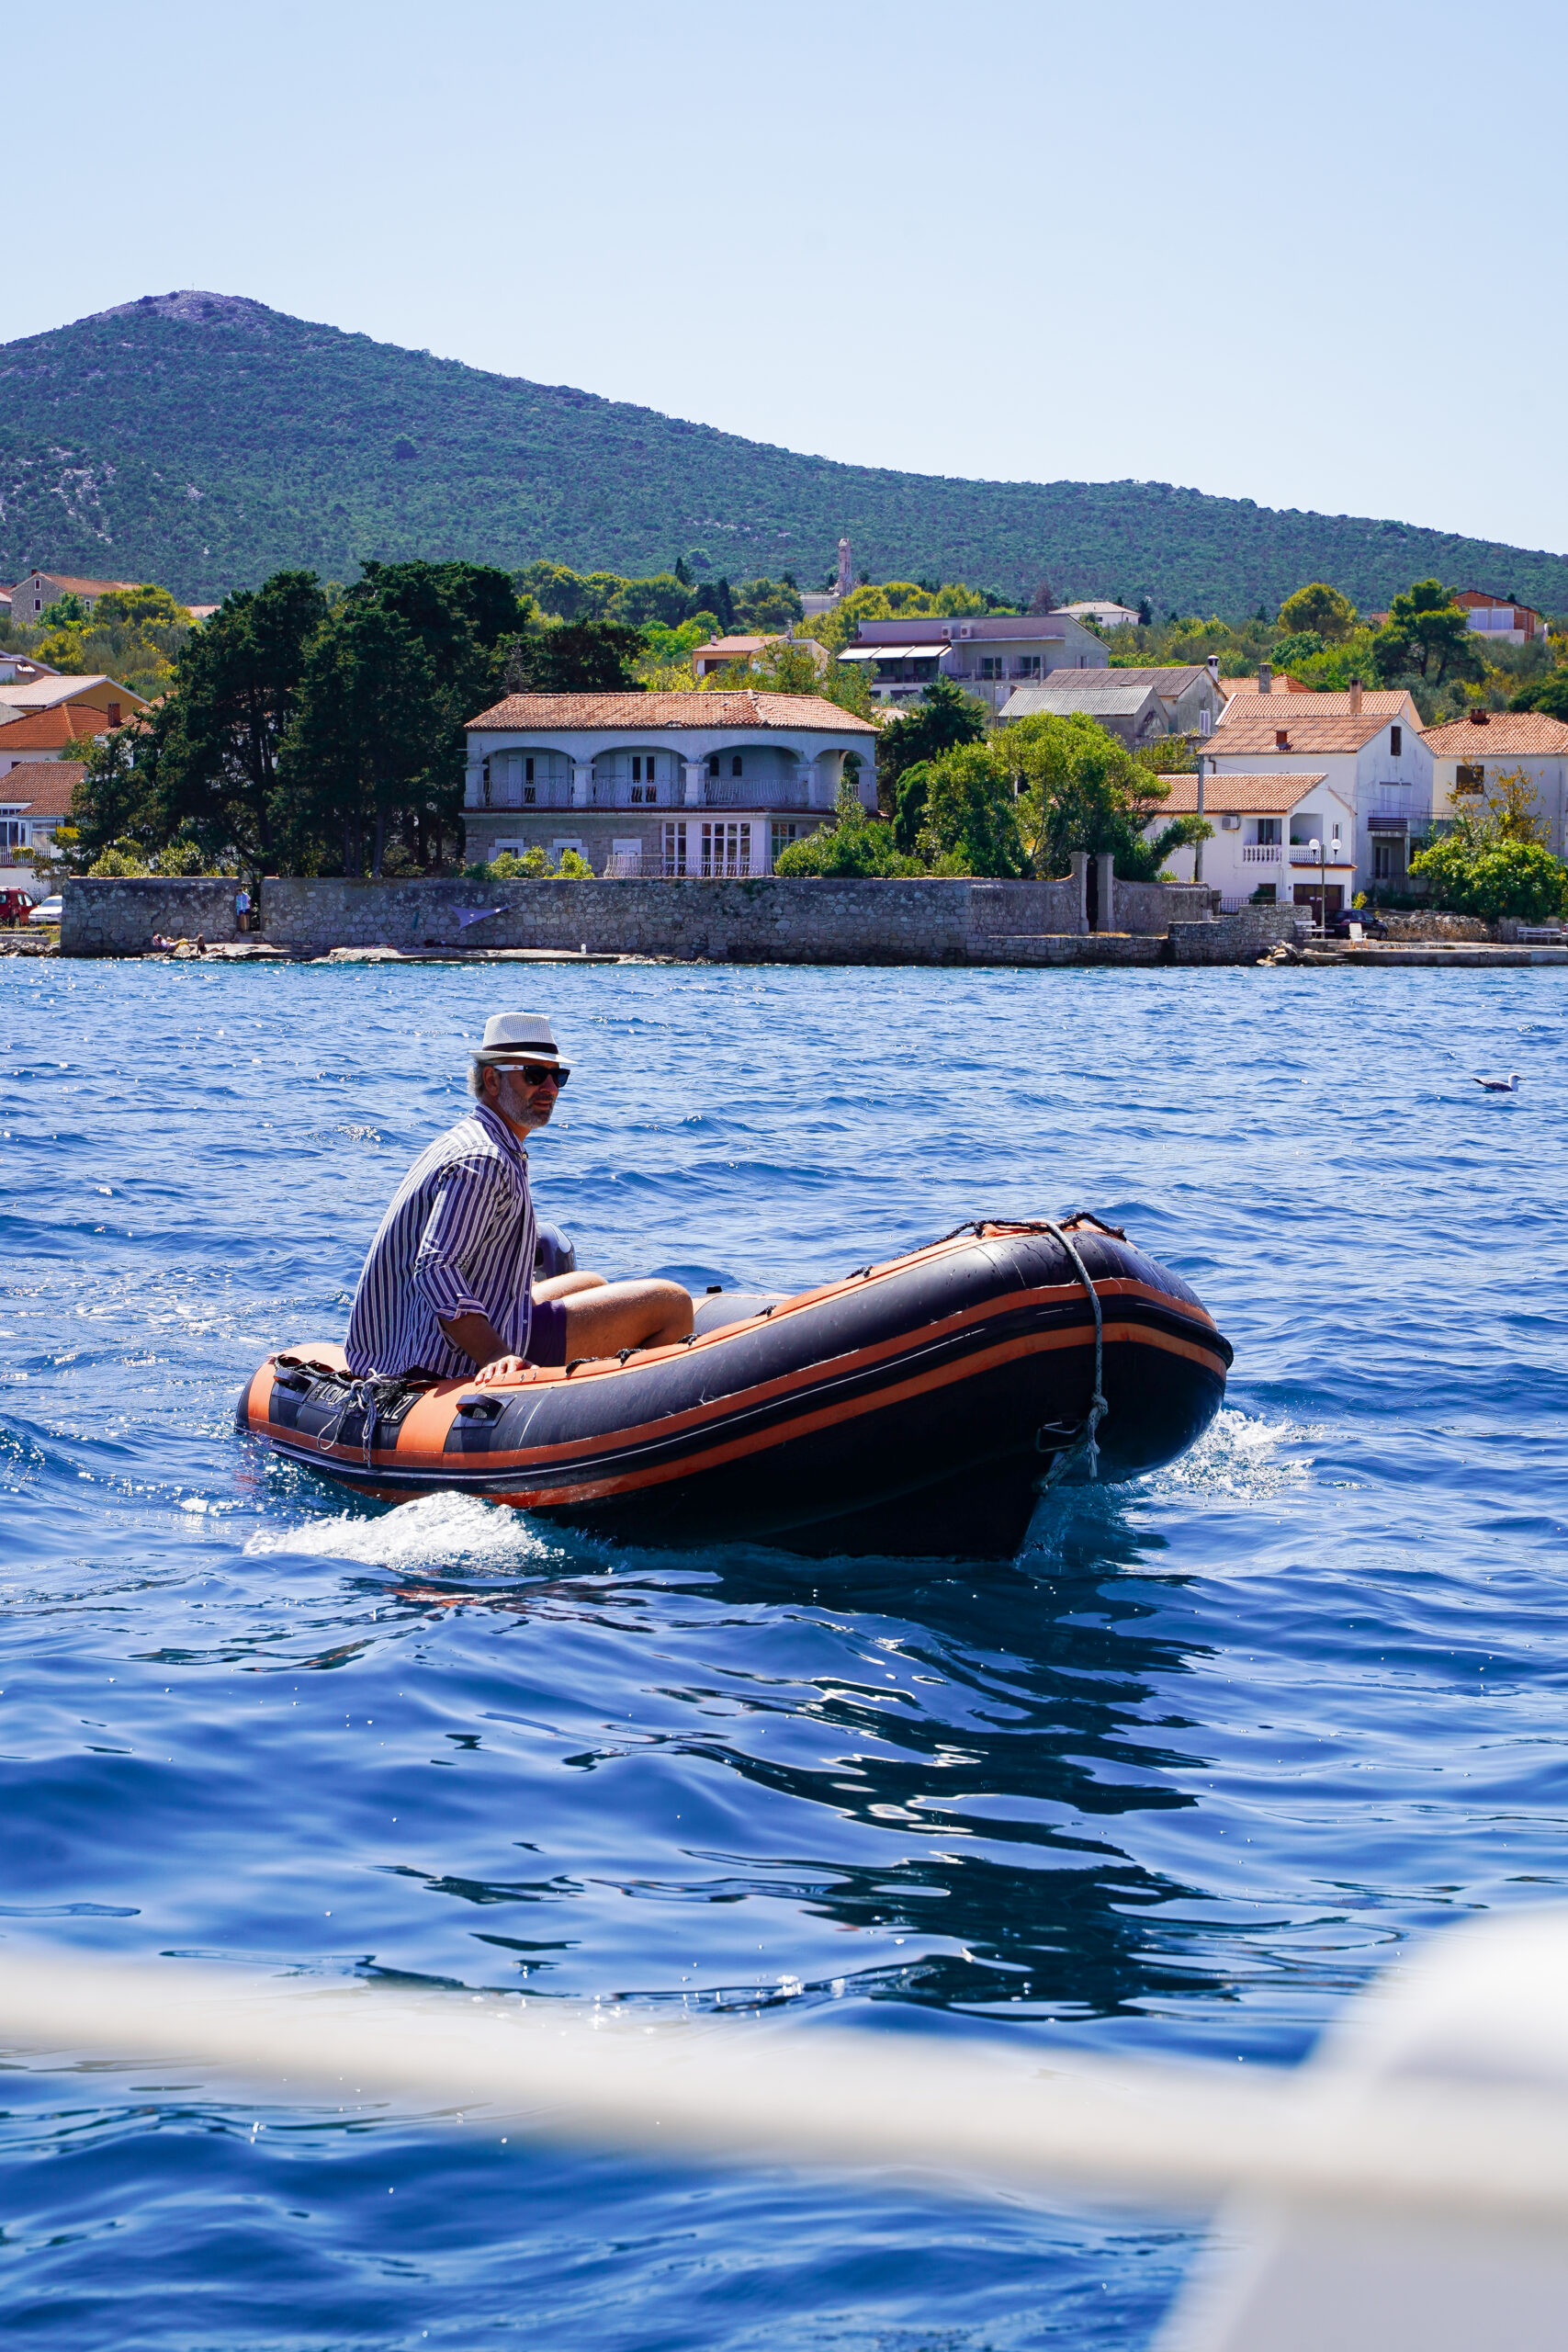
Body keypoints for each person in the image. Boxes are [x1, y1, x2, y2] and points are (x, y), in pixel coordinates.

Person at [344, 1011, 692, 1385]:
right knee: (671, 1304)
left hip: (403, 1340)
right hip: (444, 1357)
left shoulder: (470, 1137)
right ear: (492, 1079)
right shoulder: (484, 1159)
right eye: (533, 1074)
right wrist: (495, 1354)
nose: (550, 1088)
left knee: (589, 1282)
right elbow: (434, 1267)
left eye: (557, 1076)